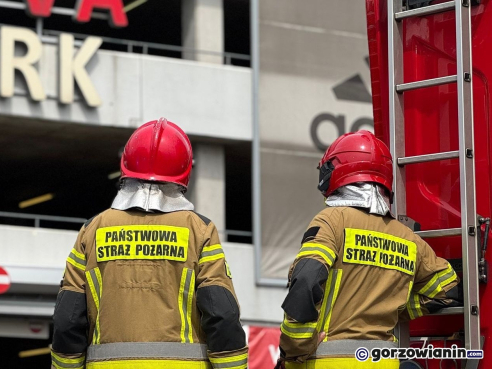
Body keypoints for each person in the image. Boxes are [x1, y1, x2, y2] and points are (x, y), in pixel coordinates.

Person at [51, 118, 248, 369]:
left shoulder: (93, 230)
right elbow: (222, 314)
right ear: (184, 172)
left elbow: (68, 319)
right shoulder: (199, 230)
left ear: (126, 167)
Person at [275, 131, 461, 369]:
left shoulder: (332, 220)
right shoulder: (407, 238)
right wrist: (395, 307)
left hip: (324, 361)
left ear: (337, 172)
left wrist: (296, 348)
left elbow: (306, 279)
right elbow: (448, 288)